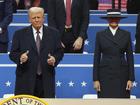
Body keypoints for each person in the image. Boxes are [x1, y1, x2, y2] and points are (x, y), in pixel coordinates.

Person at [9, 7, 63, 98]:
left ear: (43, 18)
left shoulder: (54, 33)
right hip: (25, 80)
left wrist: (54, 59)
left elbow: (59, 51)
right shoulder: (19, 34)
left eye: (39, 17)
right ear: (29, 19)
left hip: (46, 79)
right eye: (34, 18)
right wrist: (20, 57)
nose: (37, 20)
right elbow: (12, 54)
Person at [93, 9, 135, 98]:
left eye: (116, 18)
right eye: (111, 18)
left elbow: (130, 58)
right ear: (107, 20)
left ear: (119, 19)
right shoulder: (100, 35)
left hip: (122, 75)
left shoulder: (126, 34)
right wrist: (96, 79)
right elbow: (96, 58)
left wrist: (131, 79)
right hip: (105, 75)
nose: (114, 20)